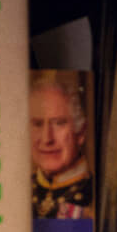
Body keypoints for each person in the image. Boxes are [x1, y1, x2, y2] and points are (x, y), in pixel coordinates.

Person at [30, 69, 93, 218]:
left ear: (81, 133)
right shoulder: (14, 191)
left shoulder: (97, 195)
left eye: (59, 123)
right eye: (37, 124)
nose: (47, 139)